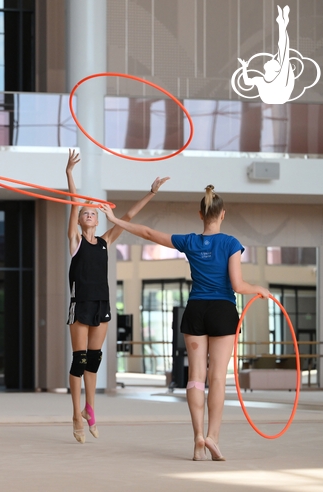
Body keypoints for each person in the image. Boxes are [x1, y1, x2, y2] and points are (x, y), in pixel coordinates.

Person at [99, 185, 269, 461]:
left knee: (195, 378)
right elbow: (238, 285)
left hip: (195, 311)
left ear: (200, 214)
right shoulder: (230, 243)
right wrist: (260, 289)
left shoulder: (189, 241)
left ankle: (197, 438)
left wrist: (116, 220)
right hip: (222, 311)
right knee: (216, 378)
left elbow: (148, 233)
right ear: (222, 214)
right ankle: (213, 437)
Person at [65, 149, 168, 444]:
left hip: (101, 305)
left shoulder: (106, 240)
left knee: (93, 361)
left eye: (93, 213)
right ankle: (75, 413)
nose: (89, 214)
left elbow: (129, 217)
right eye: (86, 213)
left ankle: (90, 408)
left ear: (97, 221)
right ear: (81, 221)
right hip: (79, 305)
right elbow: (73, 204)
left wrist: (151, 192)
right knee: (78, 361)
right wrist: (70, 174)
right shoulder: (74, 241)